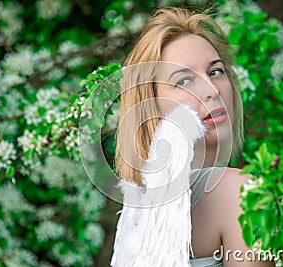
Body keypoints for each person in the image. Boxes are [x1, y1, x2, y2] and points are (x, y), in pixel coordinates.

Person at [114, 7, 274, 267]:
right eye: (184, 81)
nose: (211, 90)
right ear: (150, 108)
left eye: (215, 72)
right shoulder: (239, 192)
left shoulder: (138, 213)